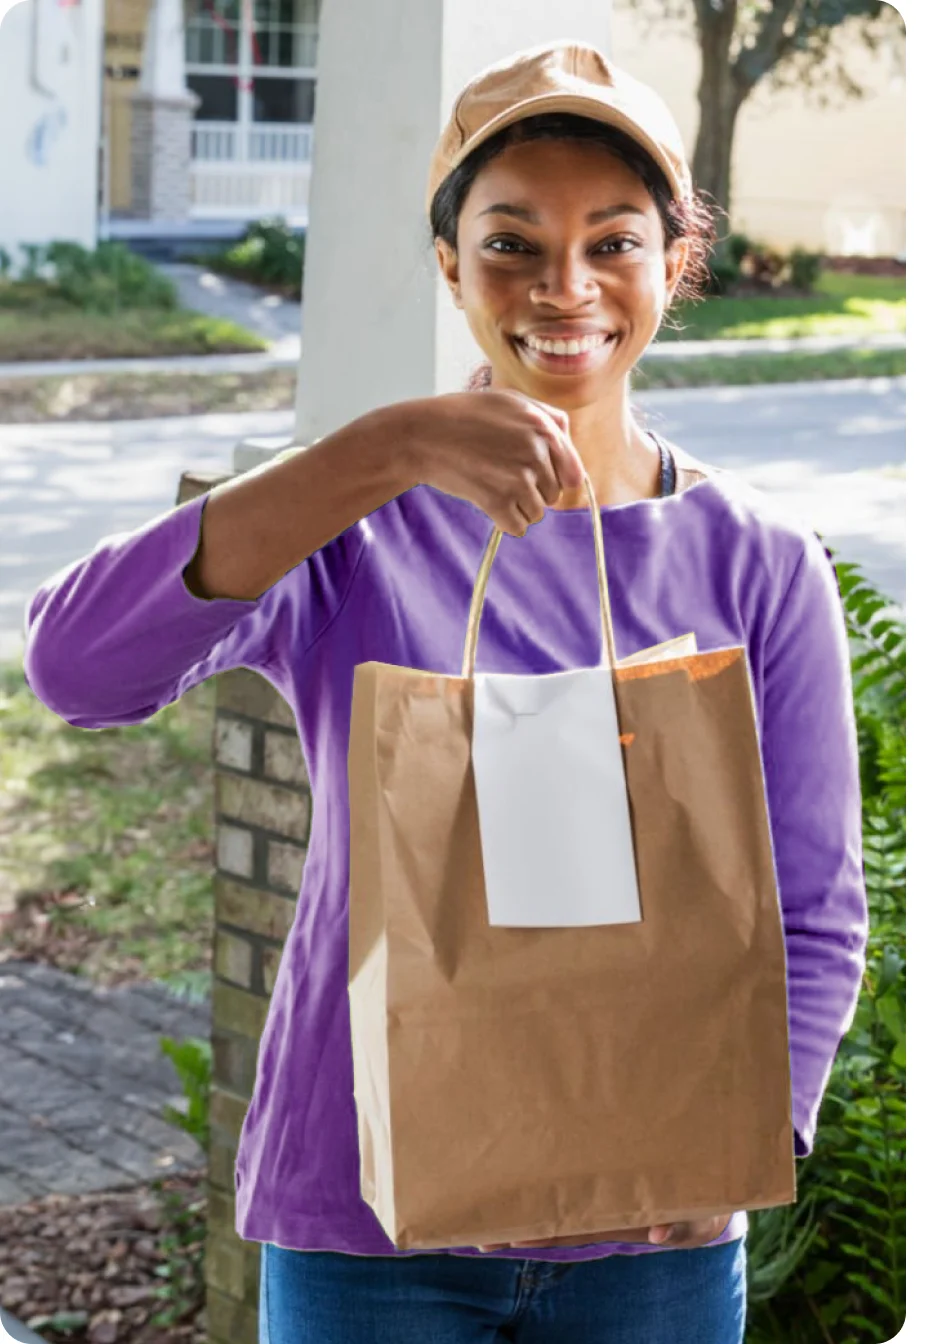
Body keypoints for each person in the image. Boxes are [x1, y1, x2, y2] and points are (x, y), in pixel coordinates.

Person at [22, 41, 868, 1344]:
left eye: (615, 241)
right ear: (450, 265)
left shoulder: (759, 568)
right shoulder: (357, 535)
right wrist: (384, 448)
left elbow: (811, 906)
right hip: (367, 1224)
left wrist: (754, 1132)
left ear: (674, 263)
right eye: (512, 242)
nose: (566, 286)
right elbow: (78, 671)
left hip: (656, 1238)